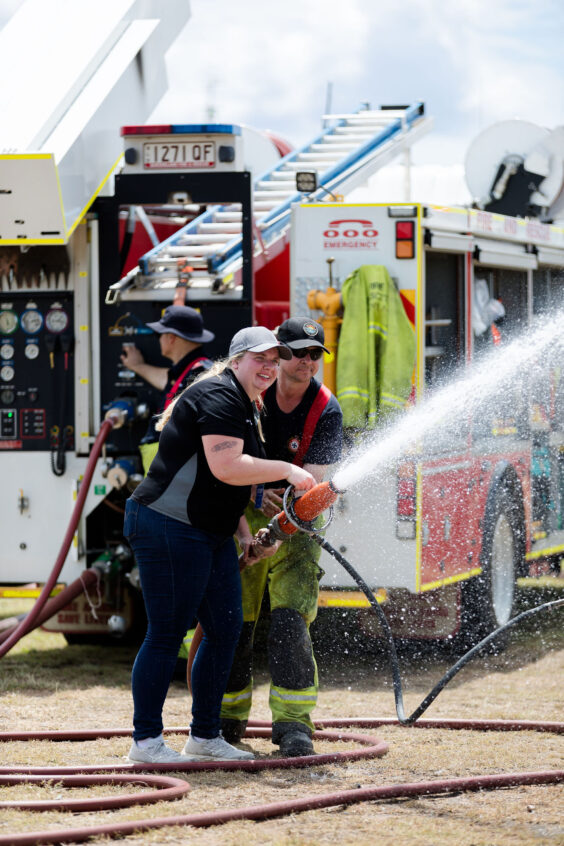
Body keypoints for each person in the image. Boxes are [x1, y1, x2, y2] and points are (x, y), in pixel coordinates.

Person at [123, 326, 316, 764]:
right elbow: (227, 466)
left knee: (226, 627)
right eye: (259, 359)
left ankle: (205, 736)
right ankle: (146, 743)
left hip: (207, 531)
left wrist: (246, 536)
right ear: (236, 360)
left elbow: (224, 487)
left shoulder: (247, 403)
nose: (268, 367)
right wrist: (288, 469)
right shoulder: (218, 395)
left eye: (274, 361)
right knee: (165, 633)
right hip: (167, 525)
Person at [220, 317, 343, 757]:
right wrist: (256, 497)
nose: (307, 362)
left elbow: (313, 483)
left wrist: (282, 525)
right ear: (278, 353)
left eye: (315, 355)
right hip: (242, 513)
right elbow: (227, 463)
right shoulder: (250, 396)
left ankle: (293, 725)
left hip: (298, 521)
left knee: (290, 623)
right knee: (235, 620)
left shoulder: (325, 409)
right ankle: (226, 720)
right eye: (297, 353)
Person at [120, 305, 215, 473]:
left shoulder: (201, 374)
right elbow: (168, 381)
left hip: (176, 471)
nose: (158, 340)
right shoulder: (191, 371)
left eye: (159, 334)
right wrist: (137, 366)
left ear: (171, 338)